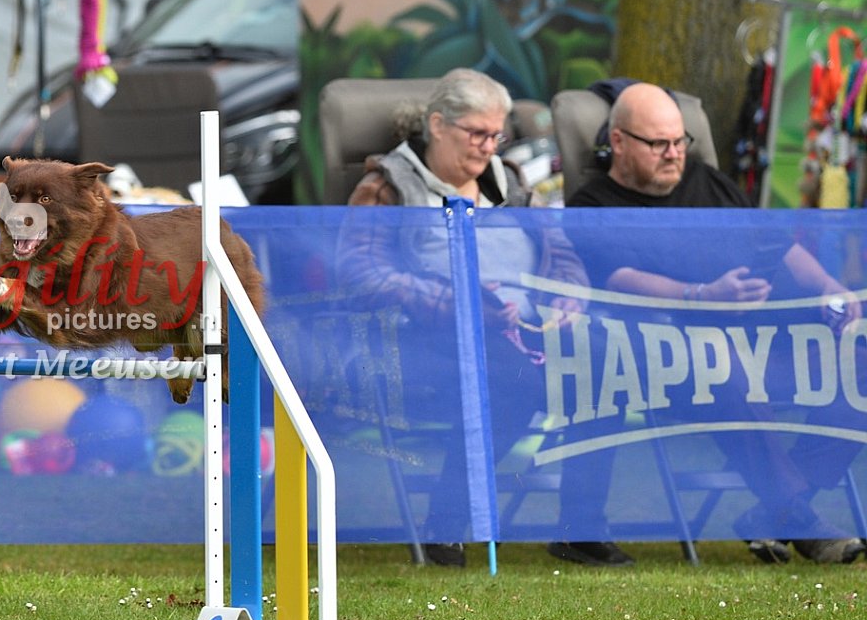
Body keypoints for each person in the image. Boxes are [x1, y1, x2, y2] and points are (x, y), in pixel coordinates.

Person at [339, 68, 630, 568]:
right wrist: (453, 302)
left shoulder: (509, 184)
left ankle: (581, 528)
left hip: (527, 330)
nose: (488, 147)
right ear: (437, 125)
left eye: (497, 136)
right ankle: (447, 524)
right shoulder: (385, 188)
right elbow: (360, 274)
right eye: (477, 133)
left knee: (603, 363)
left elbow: (562, 254)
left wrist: (569, 297)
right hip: (425, 339)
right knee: (511, 378)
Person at [566, 80, 865, 565]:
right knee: (722, 362)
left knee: (860, 366)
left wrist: (830, 287)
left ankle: (781, 509)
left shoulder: (707, 180)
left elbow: (776, 243)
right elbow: (617, 278)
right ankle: (797, 515)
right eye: (658, 144)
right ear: (618, 141)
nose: (673, 154)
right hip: (672, 357)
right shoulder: (593, 206)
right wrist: (703, 297)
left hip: (765, 341)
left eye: (679, 141)